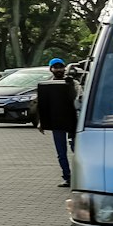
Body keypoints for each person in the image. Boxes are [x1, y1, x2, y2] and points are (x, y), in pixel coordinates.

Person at [36, 58, 80, 188]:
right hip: (56, 121)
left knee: (76, 149)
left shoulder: (73, 83)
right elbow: (42, 104)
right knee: (61, 152)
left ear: (65, 68)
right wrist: (41, 122)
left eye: (61, 67)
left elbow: (80, 100)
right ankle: (67, 177)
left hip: (73, 120)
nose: (58, 70)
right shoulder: (47, 85)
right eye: (55, 67)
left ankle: (79, 176)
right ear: (51, 69)